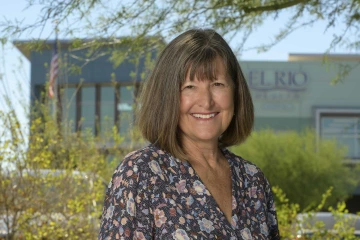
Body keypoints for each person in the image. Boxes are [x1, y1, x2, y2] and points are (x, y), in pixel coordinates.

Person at [98, 29, 280, 239]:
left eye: (217, 84)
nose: (206, 101)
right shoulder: (139, 174)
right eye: (190, 86)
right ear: (167, 96)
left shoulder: (253, 181)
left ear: (235, 92)